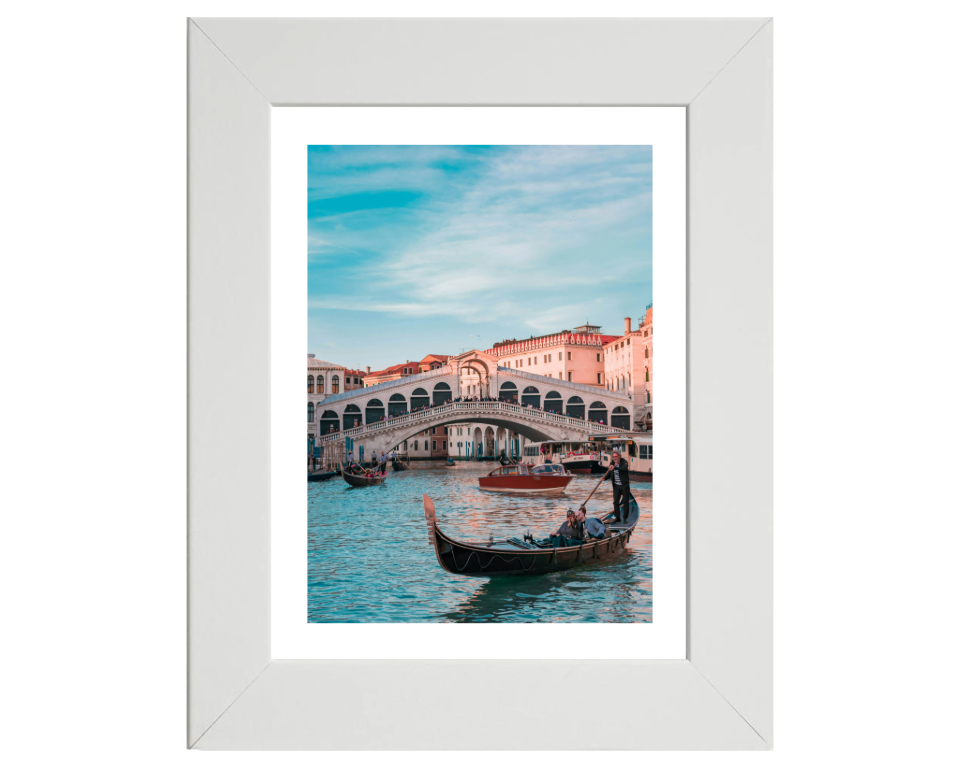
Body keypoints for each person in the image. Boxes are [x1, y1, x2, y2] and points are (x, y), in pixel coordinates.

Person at [607, 449, 631, 523]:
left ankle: (625, 517)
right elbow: (609, 474)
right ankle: (617, 518)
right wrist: (604, 478)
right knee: (615, 502)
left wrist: (615, 467)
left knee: (625, 502)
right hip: (616, 486)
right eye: (613, 457)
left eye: (616, 456)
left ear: (619, 456)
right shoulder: (611, 464)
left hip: (624, 486)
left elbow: (624, 468)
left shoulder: (624, 462)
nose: (615, 458)